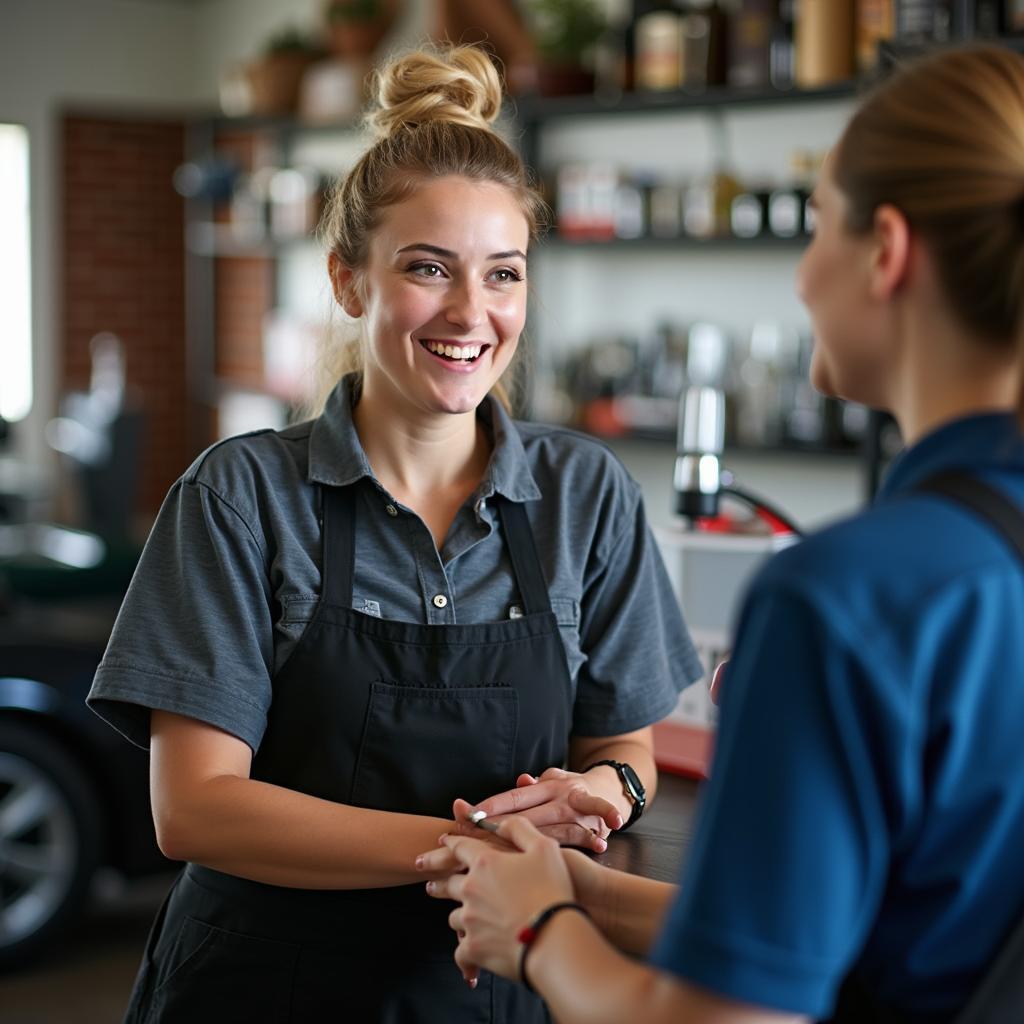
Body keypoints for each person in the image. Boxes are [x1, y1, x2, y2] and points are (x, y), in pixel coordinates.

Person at [85, 43, 702, 1024]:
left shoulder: (584, 490)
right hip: (266, 987)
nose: (472, 313)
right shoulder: (241, 494)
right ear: (349, 280)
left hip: (499, 984)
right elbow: (194, 806)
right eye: (428, 268)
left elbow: (625, 743)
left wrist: (602, 792)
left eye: (503, 273)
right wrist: (474, 851)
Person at [418, 44, 1024, 1024]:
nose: (798, 277)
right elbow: (882, 926)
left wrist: (537, 936)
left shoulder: (851, 600)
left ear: (888, 253)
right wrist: (588, 894)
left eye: (818, 224)